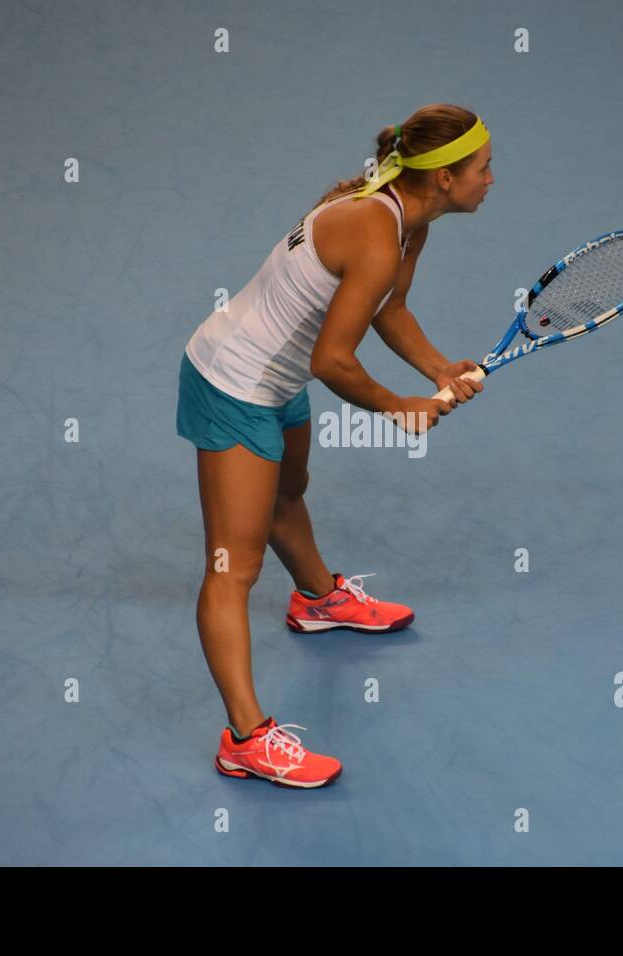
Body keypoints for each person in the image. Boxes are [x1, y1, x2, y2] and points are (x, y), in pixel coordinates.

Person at [177, 103, 494, 788]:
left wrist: (436, 369)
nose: (490, 179)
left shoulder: (405, 221)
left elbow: (387, 309)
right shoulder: (378, 234)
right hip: (233, 383)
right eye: (481, 168)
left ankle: (317, 601)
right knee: (232, 567)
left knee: (288, 494)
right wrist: (398, 408)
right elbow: (333, 360)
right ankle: (245, 739)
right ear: (442, 178)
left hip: (275, 375)